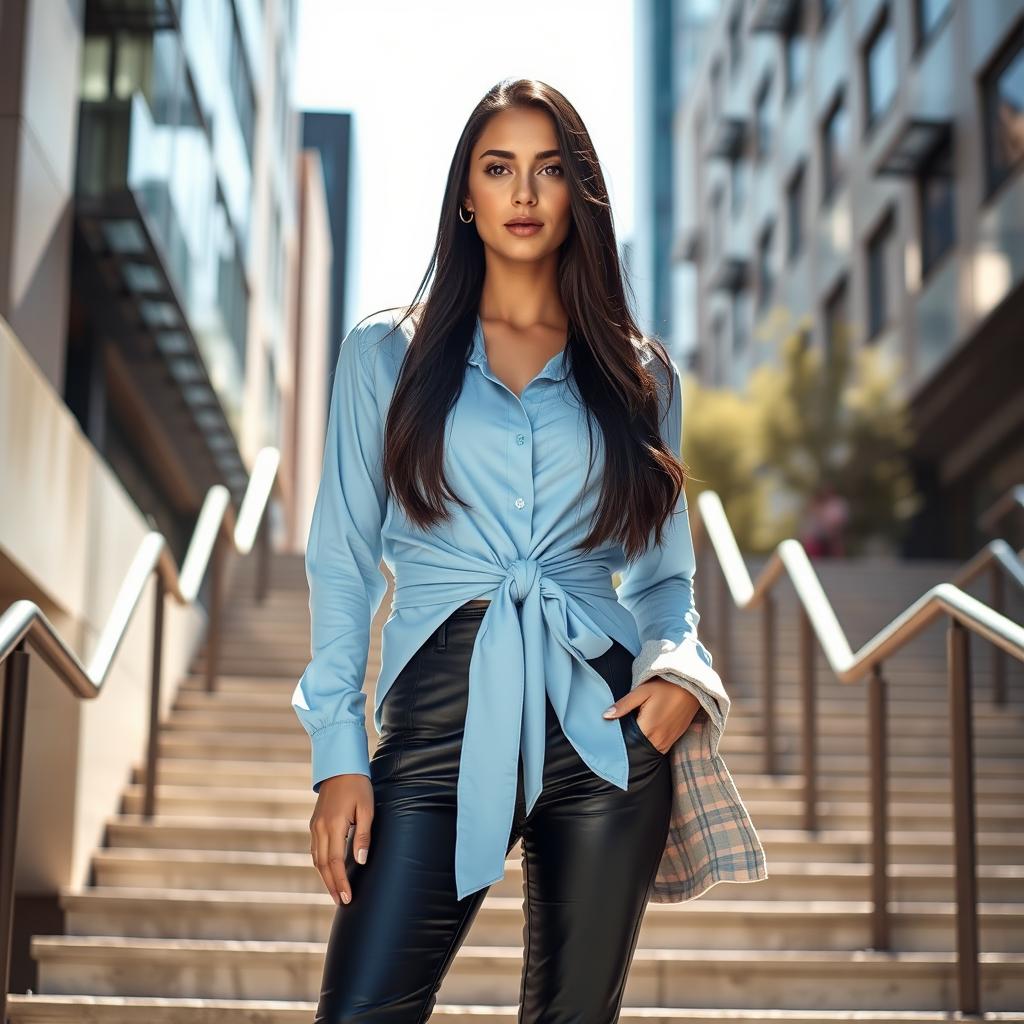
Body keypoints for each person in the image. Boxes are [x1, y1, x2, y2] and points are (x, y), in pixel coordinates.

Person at [292, 78, 767, 1024]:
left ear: (576, 195)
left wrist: (678, 672)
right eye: (497, 167)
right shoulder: (386, 356)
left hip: (606, 727)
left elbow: (665, 575)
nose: (522, 192)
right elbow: (341, 560)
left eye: (548, 171)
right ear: (465, 194)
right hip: (436, 725)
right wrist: (338, 753)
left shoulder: (639, 375)